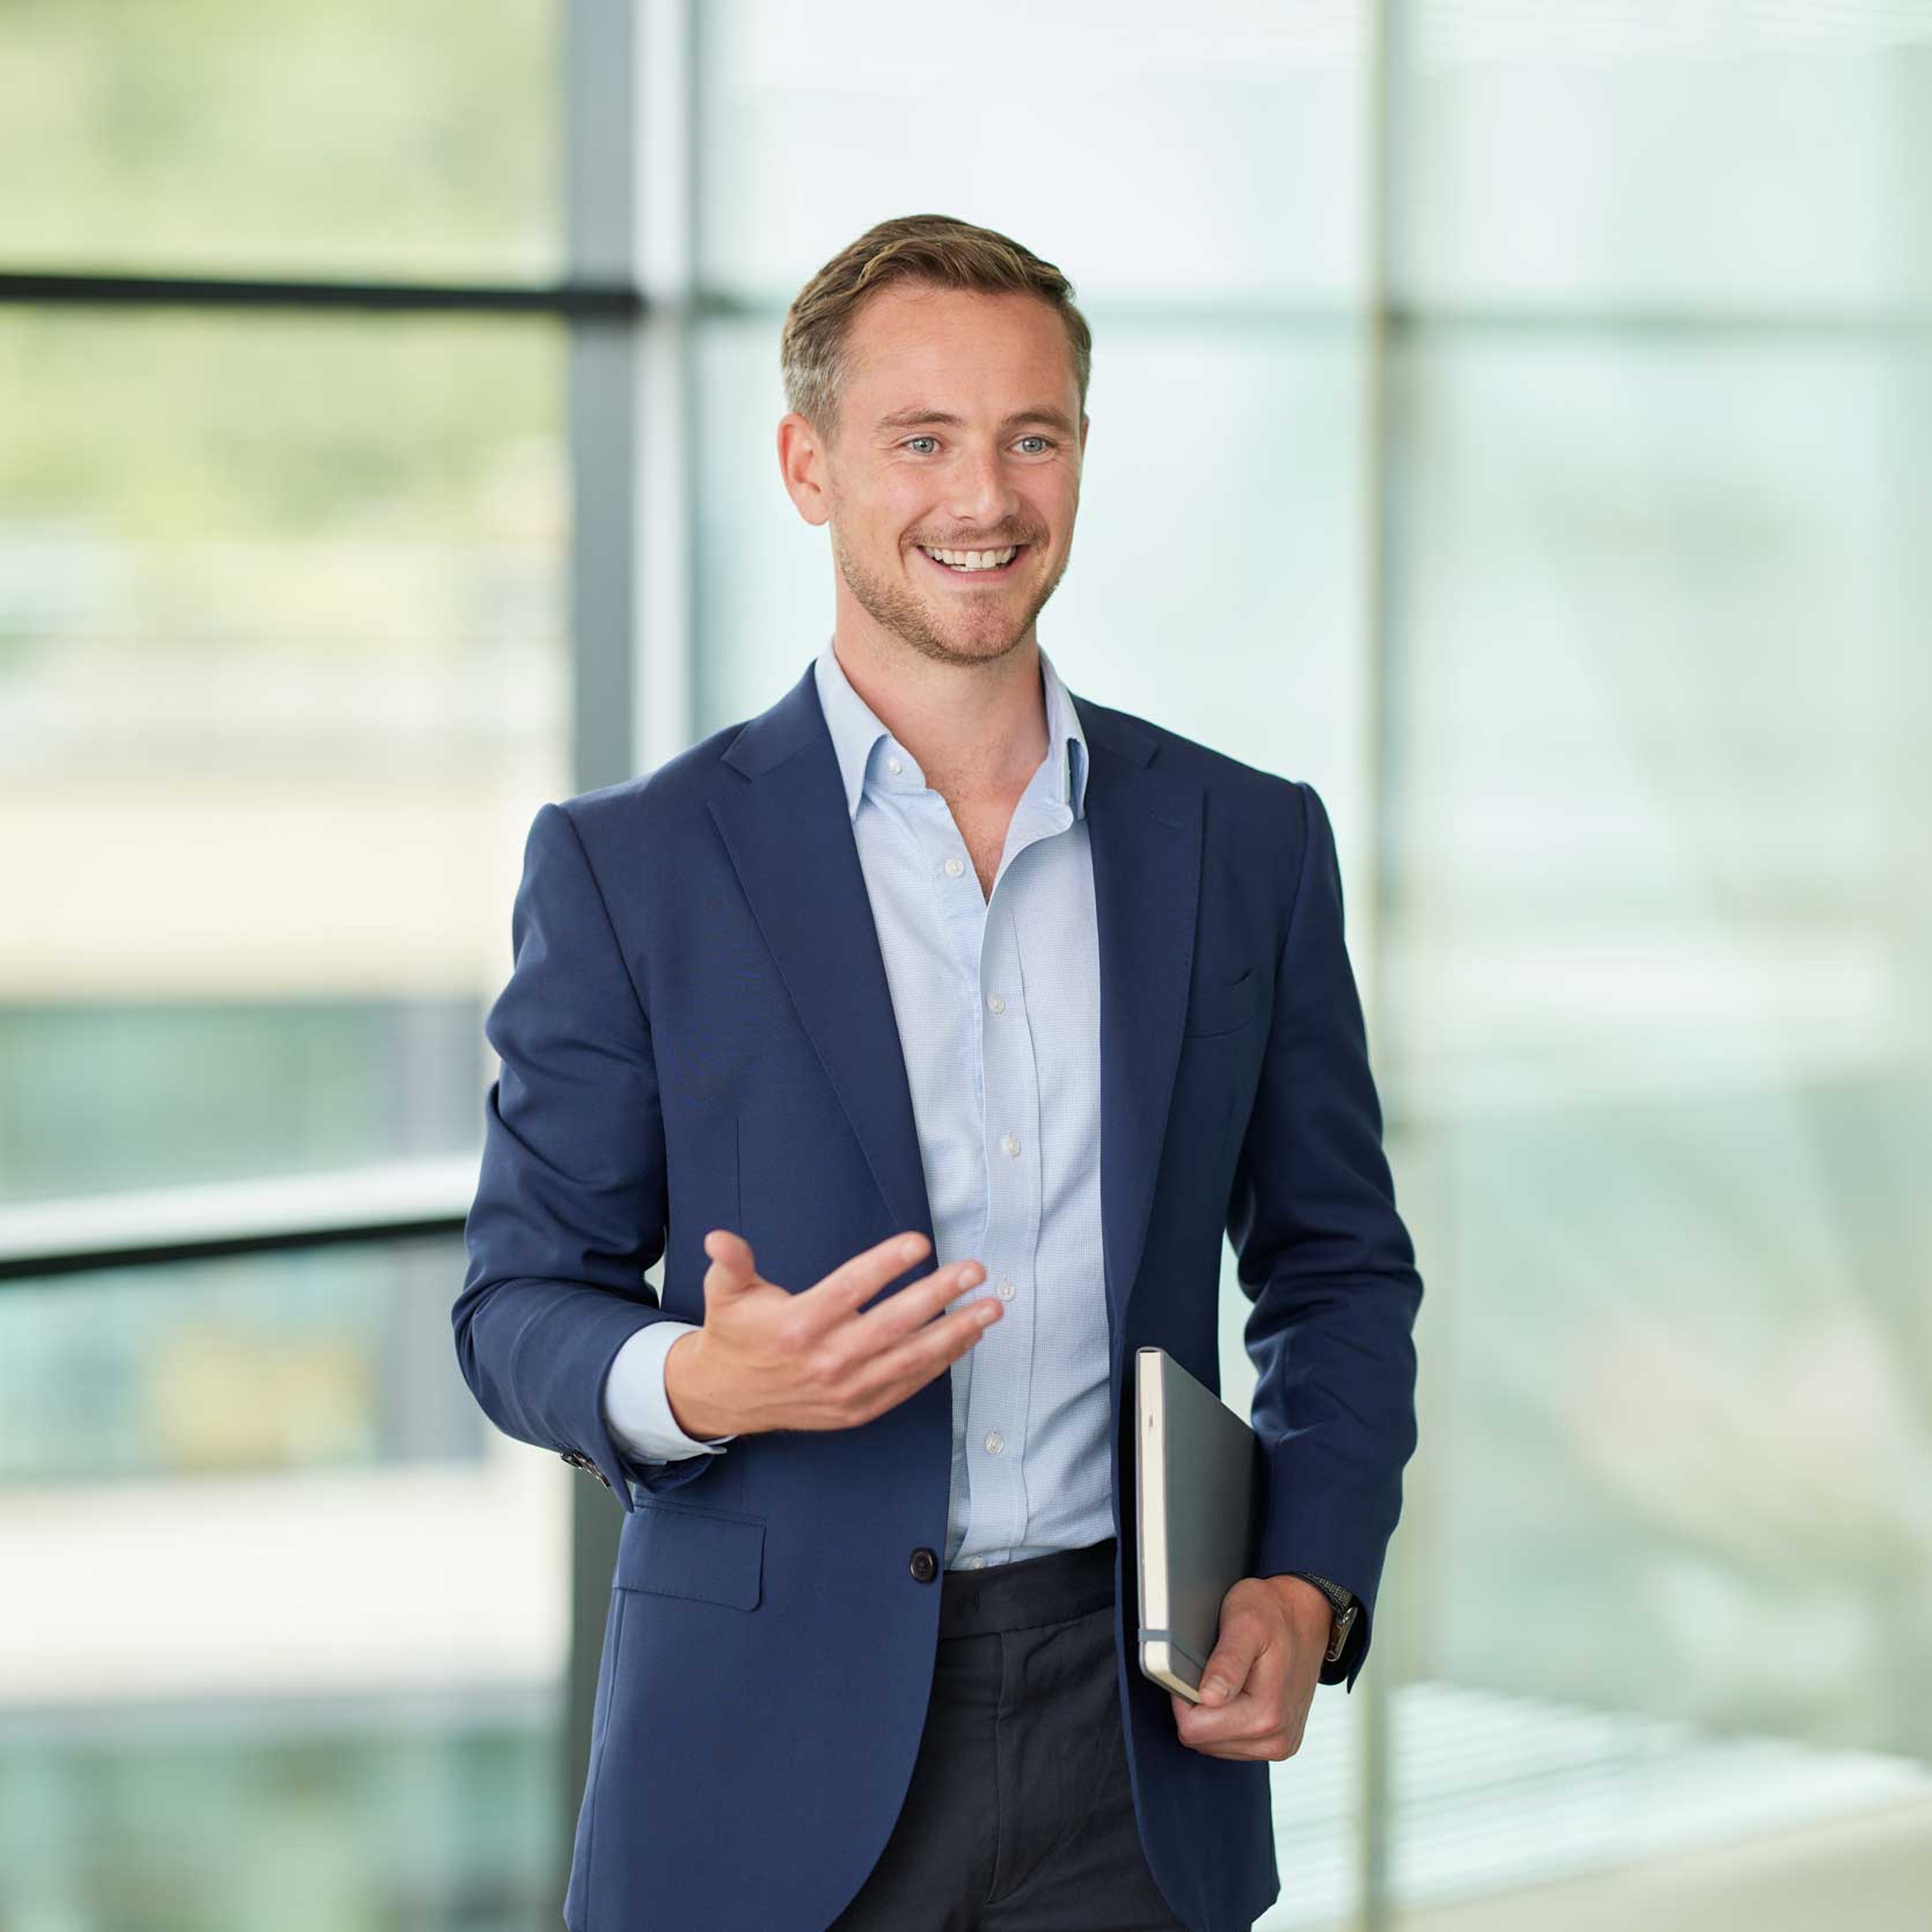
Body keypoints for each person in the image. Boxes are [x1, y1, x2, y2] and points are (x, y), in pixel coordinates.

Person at [454, 212, 1422, 1932]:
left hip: (1141, 1742)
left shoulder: (1245, 844)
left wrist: (1308, 1579)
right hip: (760, 1757)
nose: (985, 497)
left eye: (1031, 438)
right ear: (807, 466)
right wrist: (699, 1383)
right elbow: (516, 1304)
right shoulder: (635, 866)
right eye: (921, 440)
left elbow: (1337, 1266)